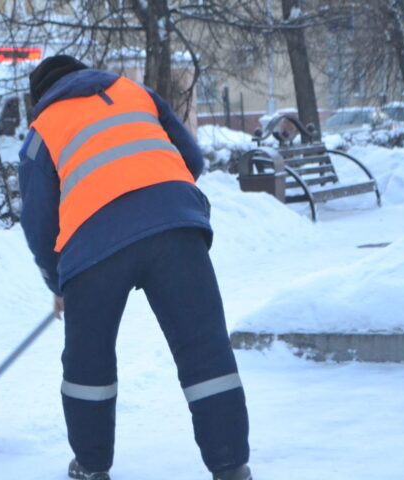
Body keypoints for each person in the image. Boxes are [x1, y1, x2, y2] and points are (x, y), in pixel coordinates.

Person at [18, 55, 251, 480]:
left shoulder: (41, 131)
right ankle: (231, 465)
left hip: (93, 249)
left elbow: (38, 222)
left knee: (89, 364)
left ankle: (91, 467)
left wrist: (59, 281)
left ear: (41, 96)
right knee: (205, 351)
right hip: (177, 229)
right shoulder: (135, 92)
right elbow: (191, 160)